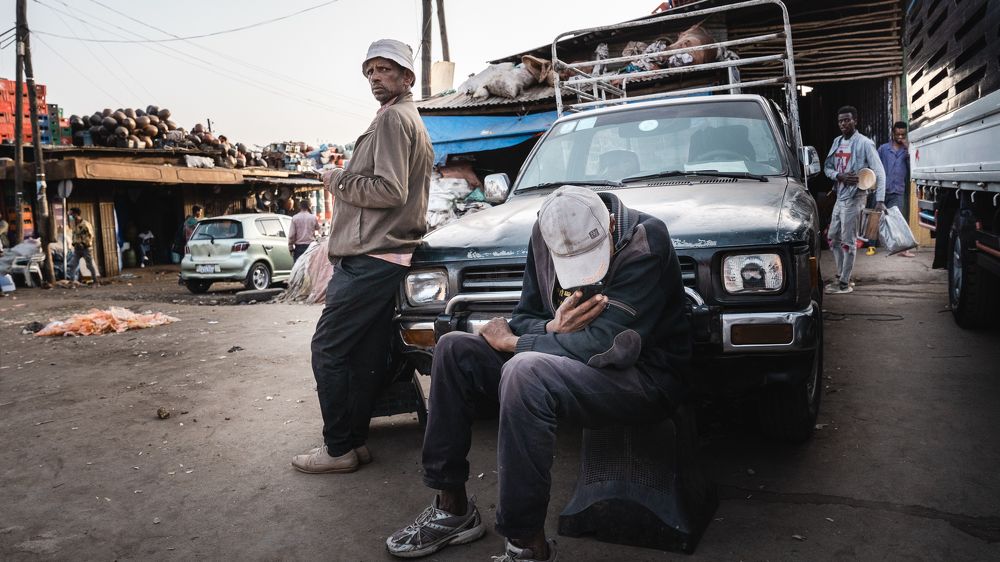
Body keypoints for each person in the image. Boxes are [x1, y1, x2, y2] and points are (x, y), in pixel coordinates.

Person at [386, 186, 691, 561]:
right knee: (453, 349)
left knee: (524, 370)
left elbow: (611, 345)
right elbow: (527, 316)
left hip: (642, 378)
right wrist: (549, 329)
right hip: (566, 363)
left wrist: (517, 343)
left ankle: (526, 544)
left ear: (610, 225)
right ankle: (452, 508)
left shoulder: (646, 240)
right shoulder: (544, 234)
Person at [290, 38, 433, 474]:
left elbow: (390, 191)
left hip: (372, 256)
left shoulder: (393, 119)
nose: (375, 78)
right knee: (365, 353)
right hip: (386, 256)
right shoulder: (405, 118)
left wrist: (337, 179)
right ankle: (354, 443)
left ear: (407, 77)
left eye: (384, 69)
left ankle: (338, 449)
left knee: (328, 348)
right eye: (370, 71)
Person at [823, 105, 886, 294]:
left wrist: (880, 199)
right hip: (840, 196)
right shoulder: (837, 142)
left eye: (847, 120)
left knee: (848, 241)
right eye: (840, 121)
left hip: (855, 197)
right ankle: (842, 274)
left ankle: (843, 282)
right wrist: (838, 176)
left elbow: (880, 172)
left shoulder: (865, 143)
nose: (843, 123)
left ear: (855, 121)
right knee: (833, 237)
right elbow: (827, 168)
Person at [878, 121, 915, 257]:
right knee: (877, 218)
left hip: (898, 190)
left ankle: (903, 249)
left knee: (898, 219)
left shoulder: (907, 150)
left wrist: (909, 150)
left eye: (903, 135)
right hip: (882, 190)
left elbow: (913, 168)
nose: (900, 137)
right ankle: (871, 246)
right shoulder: (883, 149)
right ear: (893, 133)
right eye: (897, 134)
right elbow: (875, 166)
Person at [67, 207, 99, 284]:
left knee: (89, 265)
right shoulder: (75, 224)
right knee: (73, 265)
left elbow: (90, 236)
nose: (70, 216)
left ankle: (95, 280)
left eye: (71, 214)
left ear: (76, 214)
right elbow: (75, 236)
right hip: (77, 248)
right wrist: (74, 244)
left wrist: (83, 244)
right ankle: (71, 282)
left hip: (85, 248)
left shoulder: (85, 224)